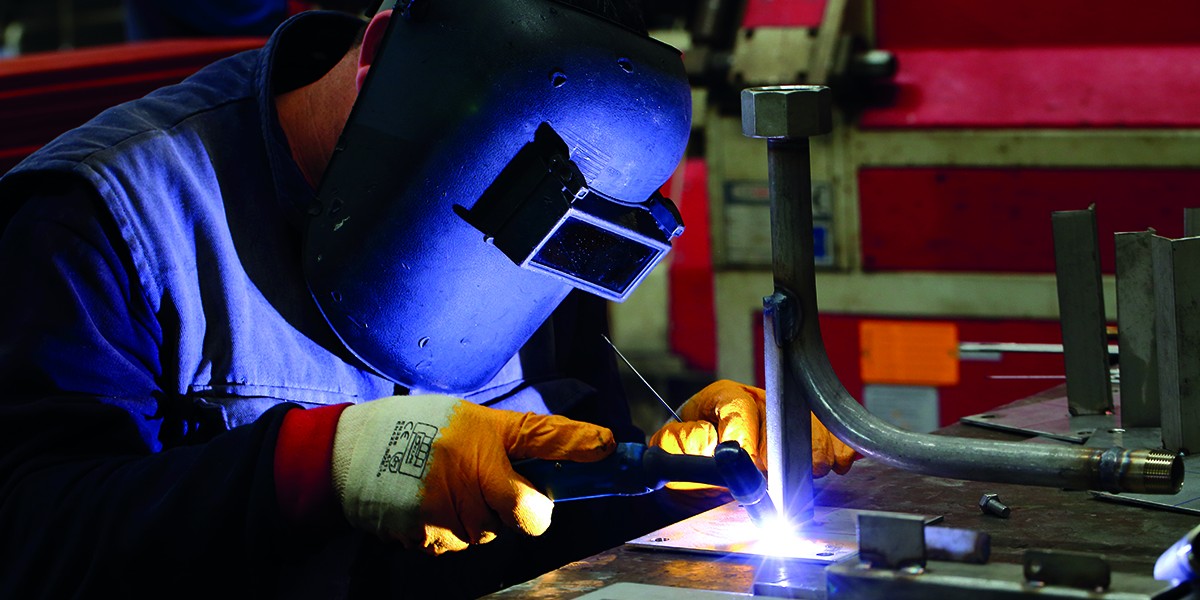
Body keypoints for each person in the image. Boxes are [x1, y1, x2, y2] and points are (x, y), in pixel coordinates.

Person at [0, 1, 855, 598]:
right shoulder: (106, 221)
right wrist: (318, 463)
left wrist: (677, 482)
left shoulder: (559, 207)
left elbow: (545, 518)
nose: (510, 245)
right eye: (487, 191)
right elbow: (30, 546)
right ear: (380, 56)